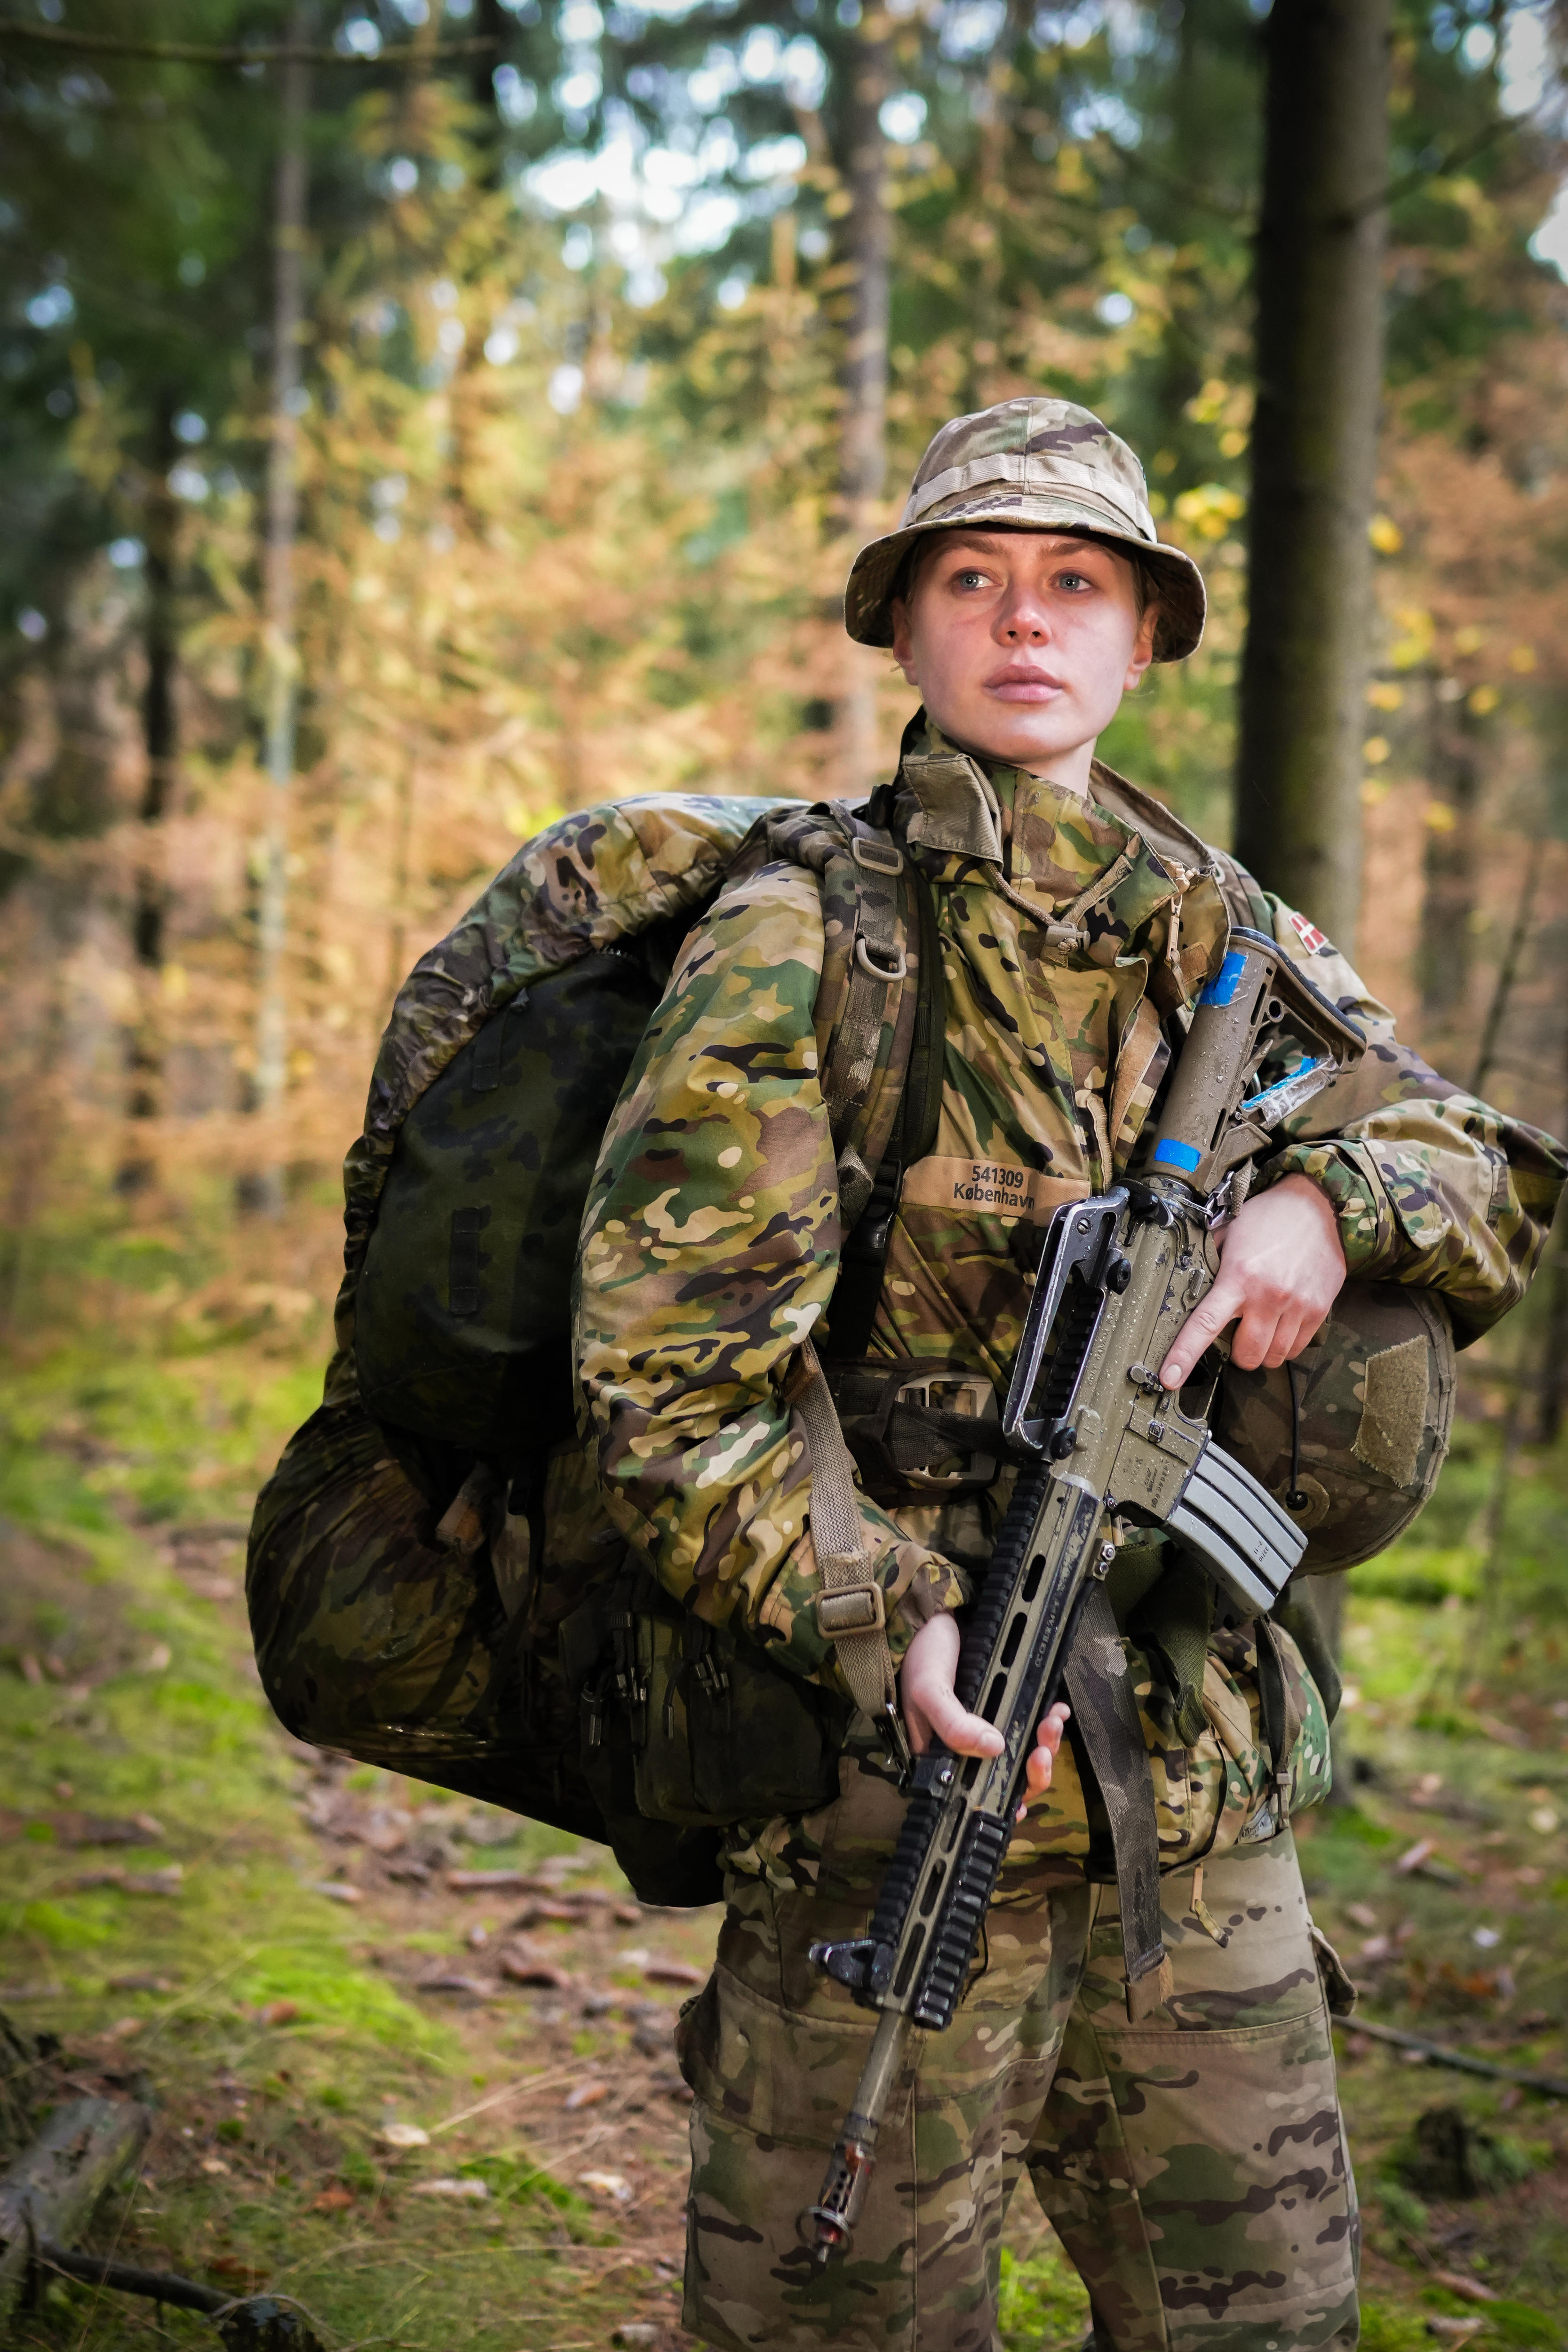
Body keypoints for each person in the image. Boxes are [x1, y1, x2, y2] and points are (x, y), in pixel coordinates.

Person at [573, 398, 1566, 2351]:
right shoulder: (803, 939)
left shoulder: (1226, 928)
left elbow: (1489, 1158)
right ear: (909, 631)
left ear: (1138, 637)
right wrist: (889, 1623)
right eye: (976, 578)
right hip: (893, 1780)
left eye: (1076, 584)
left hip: (1196, 1811)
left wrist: (1337, 1208)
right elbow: (669, 1386)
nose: (1026, 620)